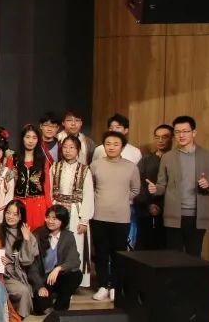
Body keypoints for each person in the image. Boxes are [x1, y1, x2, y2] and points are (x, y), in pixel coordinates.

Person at [152, 115, 209, 257]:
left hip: (197, 216)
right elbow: (161, 185)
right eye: (177, 132)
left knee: (194, 256)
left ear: (194, 133)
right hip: (174, 216)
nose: (181, 135)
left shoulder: (208, 156)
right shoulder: (168, 157)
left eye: (185, 131)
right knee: (173, 256)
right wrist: (155, 189)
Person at [89, 130, 140, 302]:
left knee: (118, 254)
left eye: (116, 144)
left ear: (122, 147)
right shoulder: (96, 165)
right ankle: (103, 285)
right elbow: (90, 188)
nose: (111, 147)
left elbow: (135, 190)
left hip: (121, 217)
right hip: (99, 216)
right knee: (101, 253)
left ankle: (116, 287)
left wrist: (121, 199)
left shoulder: (131, 167)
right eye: (108, 144)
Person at [49, 134, 94, 287]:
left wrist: (84, 220)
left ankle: (74, 281)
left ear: (78, 150)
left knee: (75, 245)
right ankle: (55, 279)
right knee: (55, 243)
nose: (68, 151)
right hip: (57, 209)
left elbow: (88, 195)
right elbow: (50, 191)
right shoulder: (55, 167)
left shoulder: (85, 170)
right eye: (65, 147)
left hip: (76, 211)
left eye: (72, 147)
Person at [31, 205, 83, 314]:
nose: (50, 221)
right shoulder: (37, 234)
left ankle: (59, 310)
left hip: (58, 277)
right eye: (48, 217)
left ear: (62, 221)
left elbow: (75, 260)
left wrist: (59, 268)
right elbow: (32, 266)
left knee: (76, 275)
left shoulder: (67, 236)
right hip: (42, 279)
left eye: (54, 218)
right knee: (40, 307)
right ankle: (52, 307)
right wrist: (40, 286)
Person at [0, 200, 39, 318]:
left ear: (21, 216)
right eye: (8, 213)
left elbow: (27, 261)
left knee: (24, 291)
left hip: (13, 275)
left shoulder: (27, 235)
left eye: (15, 214)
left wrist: (26, 240)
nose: (10, 216)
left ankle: (19, 318)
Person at [134, 124, 172, 250]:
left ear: (172, 138)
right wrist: (149, 205)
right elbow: (138, 184)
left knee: (167, 249)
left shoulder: (176, 160)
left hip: (169, 212)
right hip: (146, 210)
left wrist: (161, 206)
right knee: (143, 248)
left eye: (165, 137)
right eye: (157, 137)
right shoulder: (146, 160)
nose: (160, 140)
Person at [8, 125, 52, 231]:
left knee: (38, 235)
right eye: (27, 137)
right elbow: (8, 185)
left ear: (38, 140)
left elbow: (46, 186)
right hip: (18, 204)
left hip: (38, 205)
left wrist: (49, 208)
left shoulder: (43, 160)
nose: (30, 141)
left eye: (34, 137)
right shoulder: (13, 159)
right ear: (22, 138)